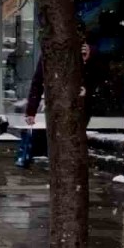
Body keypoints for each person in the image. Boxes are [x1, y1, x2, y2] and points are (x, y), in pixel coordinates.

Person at [19, 40, 94, 168]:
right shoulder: (49, 53)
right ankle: (63, 167)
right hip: (57, 106)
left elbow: (95, 76)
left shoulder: (82, 50)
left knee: (72, 141)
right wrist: (31, 111)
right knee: (62, 143)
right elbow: (37, 82)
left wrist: (88, 58)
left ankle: (69, 167)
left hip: (77, 106)